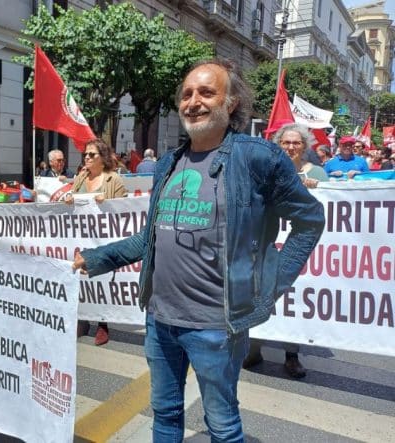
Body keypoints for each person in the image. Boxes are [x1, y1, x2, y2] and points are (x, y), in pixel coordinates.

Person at [71, 59, 324, 442]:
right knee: (165, 414)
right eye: (187, 94)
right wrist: (96, 258)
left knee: (222, 425)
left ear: (231, 102)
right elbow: (151, 238)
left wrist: (272, 283)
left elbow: (310, 221)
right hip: (160, 320)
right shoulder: (168, 164)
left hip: (217, 327)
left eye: (206, 92)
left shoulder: (259, 158)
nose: (193, 101)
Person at [242, 123, 328, 379]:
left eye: (296, 142)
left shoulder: (318, 173)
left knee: (294, 303)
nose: (290, 147)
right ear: (278, 145)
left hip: (299, 248)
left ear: (305, 146)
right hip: (267, 244)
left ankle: (292, 356)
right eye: (285, 142)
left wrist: (315, 188)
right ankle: (254, 348)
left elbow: (326, 205)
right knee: (261, 293)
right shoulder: (267, 170)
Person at [66, 138, 126, 346]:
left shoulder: (113, 180)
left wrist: (109, 203)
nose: (87, 158)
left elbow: (125, 209)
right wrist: (69, 199)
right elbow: (71, 200)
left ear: (103, 158)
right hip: (81, 236)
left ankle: (102, 323)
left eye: (92, 154)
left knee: (101, 277)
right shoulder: (81, 178)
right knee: (81, 277)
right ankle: (82, 319)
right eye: (85, 154)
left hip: (102, 237)